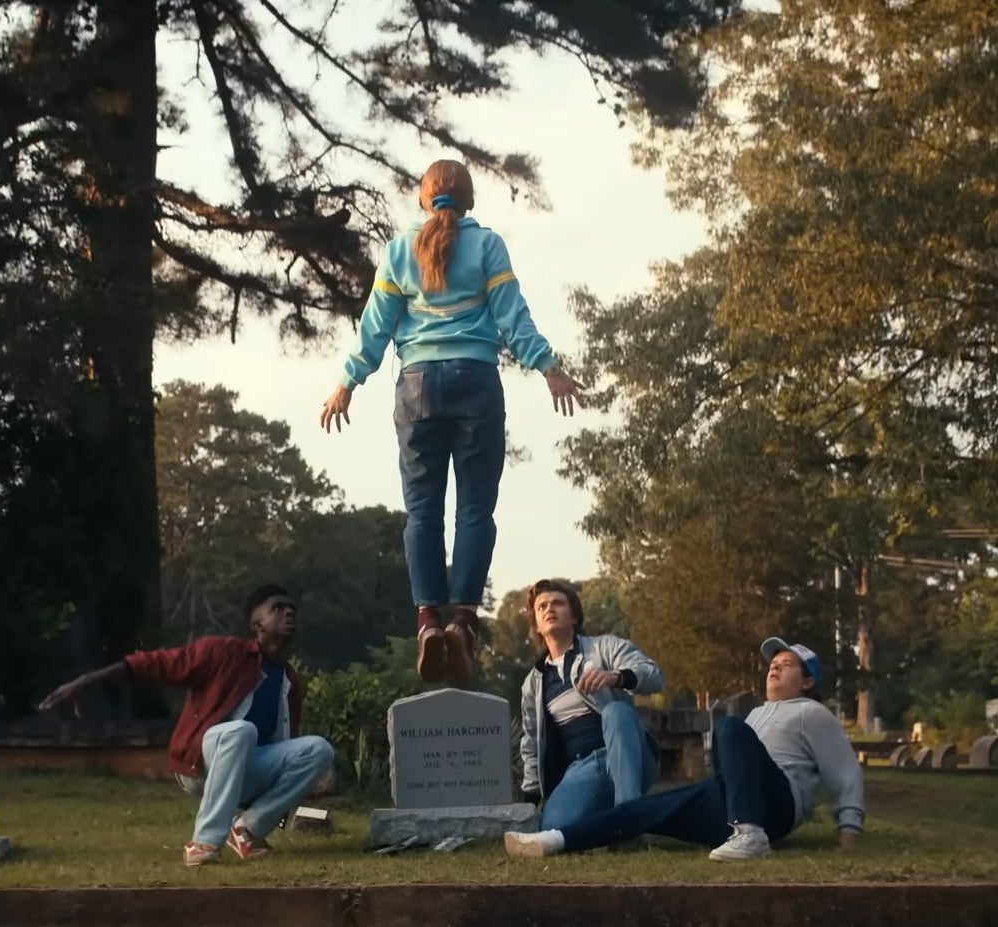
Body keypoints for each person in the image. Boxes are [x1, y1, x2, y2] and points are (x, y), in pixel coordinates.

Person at [317, 159, 584, 687]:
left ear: (423, 200)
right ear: (469, 200)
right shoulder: (487, 247)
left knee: (421, 510)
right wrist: (548, 367)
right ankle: (463, 621)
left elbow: (375, 328)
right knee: (475, 510)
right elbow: (512, 316)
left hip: (416, 388)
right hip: (476, 383)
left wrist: (347, 381)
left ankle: (426, 622)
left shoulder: (399, 252)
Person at [37, 584, 334, 867]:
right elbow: (155, 663)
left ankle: (247, 830)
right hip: (202, 764)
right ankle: (204, 843)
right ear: (257, 624)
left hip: (246, 769)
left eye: (292, 608)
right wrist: (85, 682)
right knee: (241, 730)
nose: (289, 613)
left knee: (319, 749)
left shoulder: (289, 680)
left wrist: (289, 791)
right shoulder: (223, 652)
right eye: (278, 608)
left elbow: (284, 741)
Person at [504, 638, 865, 861]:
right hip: (729, 802)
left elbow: (846, 774)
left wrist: (849, 835)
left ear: (807, 681)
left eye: (785, 666)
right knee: (639, 811)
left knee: (727, 725)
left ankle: (751, 834)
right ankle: (553, 841)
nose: (774, 668)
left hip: (777, 804)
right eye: (772, 664)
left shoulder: (813, 712)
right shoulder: (757, 712)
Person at [517, 579, 665, 832]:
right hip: (581, 768)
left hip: (627, 753)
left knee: (616, 711)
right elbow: (531, 744)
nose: (549, 609)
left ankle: (630, 821)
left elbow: (654, 676)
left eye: (558, 603)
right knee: (554, 826)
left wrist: (617, 676)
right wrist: (529, 800)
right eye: (542, 607)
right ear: (538, 627)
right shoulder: (534, 683)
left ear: (574, 616)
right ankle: (608, 818)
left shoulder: (604, 647)